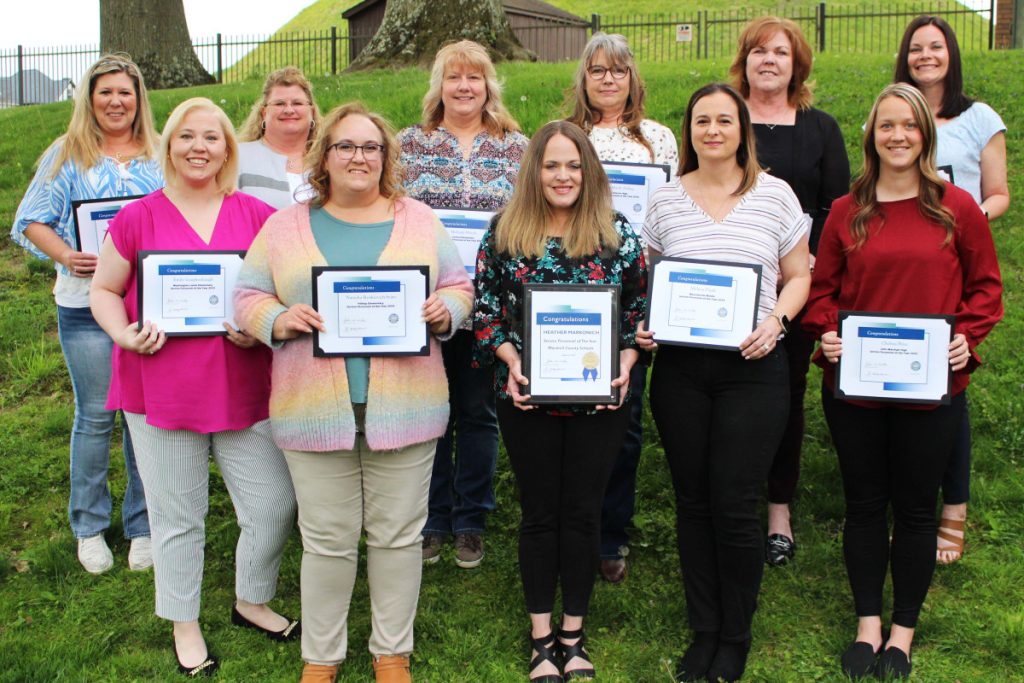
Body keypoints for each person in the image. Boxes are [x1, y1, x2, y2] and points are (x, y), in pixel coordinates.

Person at [234, 102, 473, 683]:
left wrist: (449, 312)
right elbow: (245, 295)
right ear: (325, 155)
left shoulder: (417, 219)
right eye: (345, 146)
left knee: (397, 537)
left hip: (406, 408)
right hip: (313, 413)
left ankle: (391, 651)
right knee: (326, 541)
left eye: (370, 147)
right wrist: (278, 319)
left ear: (386, 157)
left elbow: (458, 285)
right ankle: (322, 656)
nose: (358, 157)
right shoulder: (286, 226)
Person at [90, 97, 299, 677]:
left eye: (211, 137)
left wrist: (258, 325)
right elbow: (104, 290)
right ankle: (184, 620)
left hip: (242, 383)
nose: (198, 147)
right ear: (170, 145)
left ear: (228, 148)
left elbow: (279, 293)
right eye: (186, 136)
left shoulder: (256, 215)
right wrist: (125, 336)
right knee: (177, 514)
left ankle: (250, 598)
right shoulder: (138, 217)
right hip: (160, 384)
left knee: (273, 503)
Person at [803, 82, 1002, 680]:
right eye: (886, 125)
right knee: (864, 505)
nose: (897, 136)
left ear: (925, 134)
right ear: (872, 135)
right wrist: (827, 330)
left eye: (908, 126)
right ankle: (868, 625)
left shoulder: (957, 206)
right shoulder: (846, 210)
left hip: (931, 387)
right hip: (855, 386)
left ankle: (902, 633)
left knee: (916, 509)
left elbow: (985, 289)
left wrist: (966, 336)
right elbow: (821, 291)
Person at [638, 83, 811, 682]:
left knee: (736, 503)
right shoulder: (662, 200)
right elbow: (655, 278)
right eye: (701, 121)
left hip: (753, 369)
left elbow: (799, 276)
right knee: (693, 502)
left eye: (724, 120)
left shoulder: (776, 196)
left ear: (743, 129)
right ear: (688, 131)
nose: (713, 130)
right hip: (682, 371)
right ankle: (704, 629)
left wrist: (777, 321)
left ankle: (735, 635)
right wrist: (650, 322)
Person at [474, 120, 647, 682]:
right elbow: (485, 315)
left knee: (583, 512)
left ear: (589, 171)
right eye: (552, 165)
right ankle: (540, 635)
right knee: (541, 512)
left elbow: (637, 318)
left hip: (600, 401)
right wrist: (512, 363)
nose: (563, 175)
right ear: (534, 171)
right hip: (527, 397)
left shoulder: (617, 236)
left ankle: (574, 632)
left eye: (574, 165)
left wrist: (626, 361)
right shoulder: (504, 233)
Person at [10, 53, 159, 575]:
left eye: (125, 92)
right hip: (83, 304)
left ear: (139, 98)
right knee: (95, 414)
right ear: (89, 100)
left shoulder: (160, 155)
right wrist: (66, 255)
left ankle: (142, 525)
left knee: (142, 416)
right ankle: (89, 525)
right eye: (105, 92)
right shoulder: (67, 154)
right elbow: (30, 220)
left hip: (149, 305)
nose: (116, 102)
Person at [398, 40, 529, 569]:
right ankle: (431, 518)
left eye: (474, 78)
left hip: (490, 303)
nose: (464, 87)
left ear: (488, 85)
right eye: (454, 78)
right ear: (439, 85)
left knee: (478, 414)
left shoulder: (515, 147)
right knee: (430, 414)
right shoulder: (411, 144)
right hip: (427, 303)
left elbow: (524, 222)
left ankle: (471, 519)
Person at [729, 15, 851, 567]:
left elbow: (835, 207)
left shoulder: (820, 128)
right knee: (726, 389)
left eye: (780, 52)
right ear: (745, 61)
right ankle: (727, 500)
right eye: (758, 52)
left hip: (794, 288)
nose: (769, 60)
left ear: (796, 64)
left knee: (785, 395)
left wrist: (802, 267)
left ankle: (778, 508)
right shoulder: (724, 120)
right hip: (728, 286)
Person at [894, 15, 1010, 565]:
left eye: (935, 47)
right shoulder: (897, 111)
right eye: (916, 48)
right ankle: (909, 504)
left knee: (950, 382)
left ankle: (953, 510)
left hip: (957, 253)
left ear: (951, 53)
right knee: (906, 379)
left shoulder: (979, 116)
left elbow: (999, 192)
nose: (925, 56)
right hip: (907, 258)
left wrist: (966, 225)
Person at [564, 31, 679, 585]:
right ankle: (571, 526)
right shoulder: (569, 136)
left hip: (637, 290)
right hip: (571, 290)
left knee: (623, 420)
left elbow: (673, 214)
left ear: (633, 77)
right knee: (570, 410)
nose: (608, 79)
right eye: (597, 71)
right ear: (583, 80)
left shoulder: (658, 140)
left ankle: (610, 534)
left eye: (618, 70)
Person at [237, 66, 322, 209]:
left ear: (312, 112)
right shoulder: (238, 157)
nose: (289, 110)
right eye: (279, 104)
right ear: (264, 113)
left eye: (297, 103)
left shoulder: (327, 160)